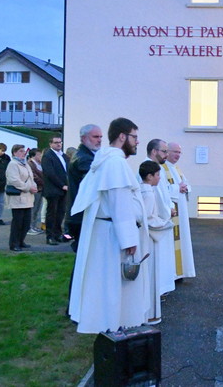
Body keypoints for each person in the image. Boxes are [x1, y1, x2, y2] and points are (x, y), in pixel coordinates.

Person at [68, 117, 150, 333]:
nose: (137, 142)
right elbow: (119, 203)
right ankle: (112, 325)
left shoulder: (107, 160)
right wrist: (129, 239)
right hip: (112, 234)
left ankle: (111, 322)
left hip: (107, 231)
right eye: (134, 137)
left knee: (107, 283)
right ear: (122, 136)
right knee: (113, 284)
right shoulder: (114, 163)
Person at [139, 160, 174, 324]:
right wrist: (163, 223)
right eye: (158, 175)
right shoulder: (148, 194)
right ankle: (149, 314)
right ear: (149, 176)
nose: (160, 178)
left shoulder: (143, 190)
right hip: (148, 240)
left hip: (147, 237)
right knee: (150, 274)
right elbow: (145, 219)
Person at [145, 139, 176, 293]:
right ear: (154, 151)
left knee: (163, 258)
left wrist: (170, 206)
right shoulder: (148, 169)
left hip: (163, 217)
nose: (167, 154)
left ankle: (161, 288)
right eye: (164, 151)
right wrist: (167, 211)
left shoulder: (159, 169)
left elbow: (165, 193)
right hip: (156, 221)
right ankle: (156, 290)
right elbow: (156, 196)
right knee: (156, 259)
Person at [65, 124, 103, 249]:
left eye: (100, 137)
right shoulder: (83, 158)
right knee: (84, 254)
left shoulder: (89, 155)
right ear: (83, 138)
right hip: (81, 215)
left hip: (80, 213)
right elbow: (94, 185)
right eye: (95, 136)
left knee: (86, 255)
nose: (99, 140)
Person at [165, 141, 196, 278]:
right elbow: (162, 190)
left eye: (179, 152)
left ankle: (181, 272)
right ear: (167, 151)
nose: (178, 155)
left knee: (181, 240)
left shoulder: (176, 169)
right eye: (175, 152)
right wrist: (178, 188)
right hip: (171, 211)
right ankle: (172, 273)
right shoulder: (162, 168)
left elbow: (187, 184)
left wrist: (184, 188)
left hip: (181, 212)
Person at [6, 144, 38, 251]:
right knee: (17, 222)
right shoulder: (13, 164)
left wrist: (34, 186)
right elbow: (14, 180)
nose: (23, 153)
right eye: (20, 151)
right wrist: (29, 188)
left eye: (24, 151)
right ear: (14, 153)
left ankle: (21, 241)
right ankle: (14, 243)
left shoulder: (25, 164)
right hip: (18, 198)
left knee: (25, 222)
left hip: (28, 198)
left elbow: (31, 177)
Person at [42, 136, 69, 246]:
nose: (59, 144)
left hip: (64, 189)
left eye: (60, 142)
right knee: (52, 214)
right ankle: (50, 236)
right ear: (50, 144)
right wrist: (62, 185)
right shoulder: (48, 156)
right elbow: (50, 173)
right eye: (56, 142)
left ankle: (58, 234)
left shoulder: (63, 156)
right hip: (53, 189)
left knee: (60, 213)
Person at [27, 148, 45, 235]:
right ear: (33, 156)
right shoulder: (30, 164)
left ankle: (33, 226)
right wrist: (44, 182)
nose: (40, 156)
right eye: (38, 155)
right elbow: (34, 176)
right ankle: (30, 227)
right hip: (35, 189)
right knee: (33, 209)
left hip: (41, 188)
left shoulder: (40, 164)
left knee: (37, 208)